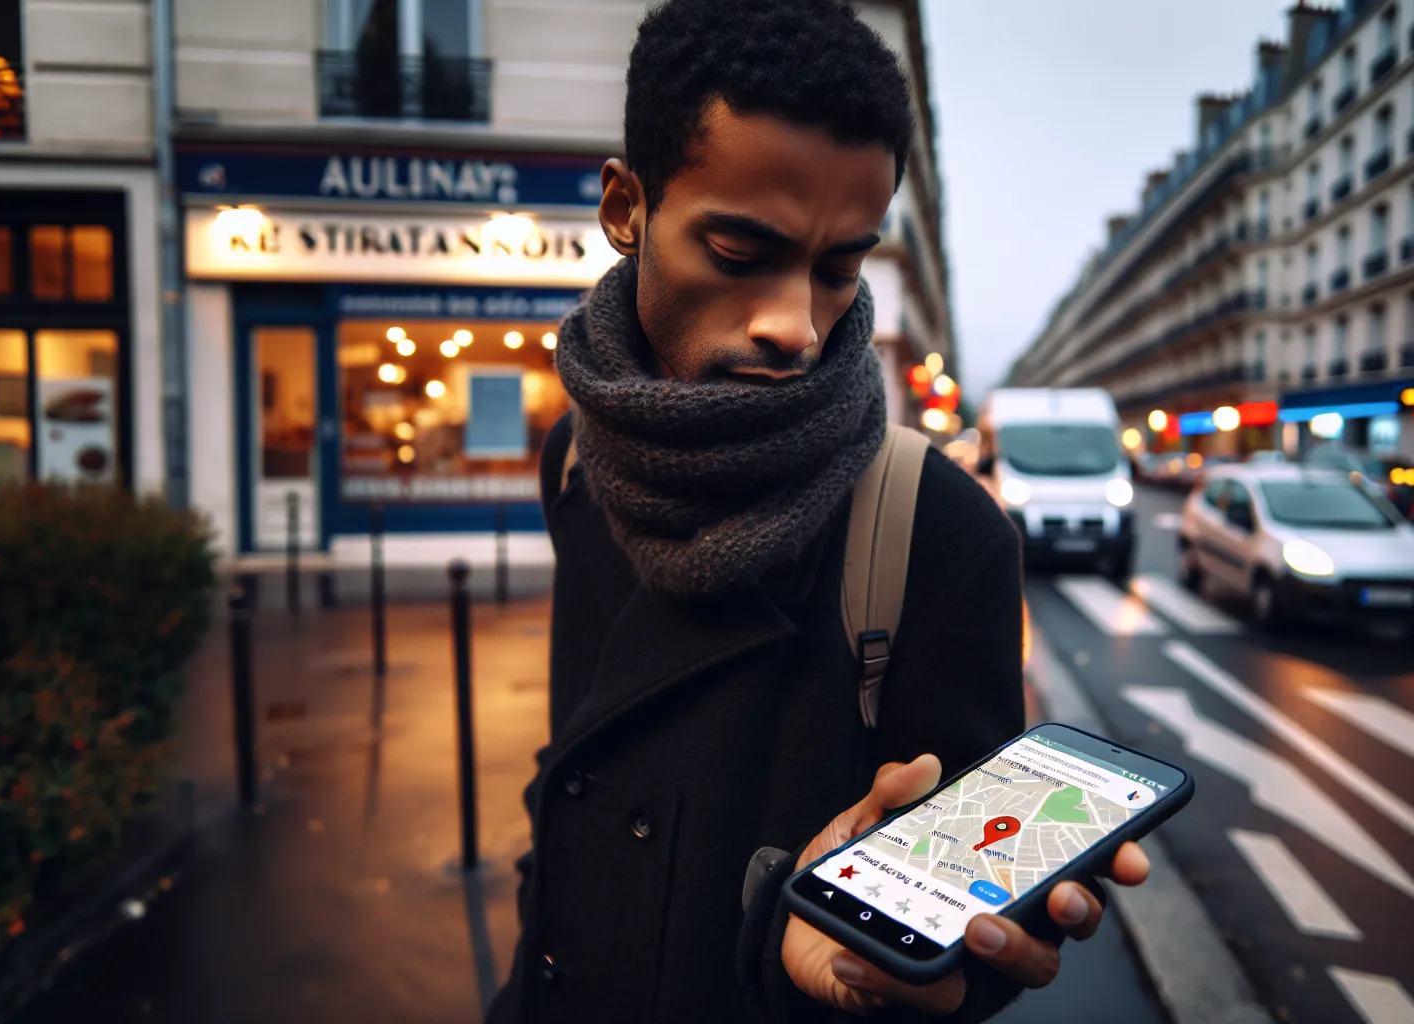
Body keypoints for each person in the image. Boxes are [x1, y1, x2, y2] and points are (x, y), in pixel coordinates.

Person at [488, 1, 1150, 1020]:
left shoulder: (937, 528)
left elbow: (960, 941)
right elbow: (576, 755)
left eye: (839, 267)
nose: (796, 325)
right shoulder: (579, 458)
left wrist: (865, 964)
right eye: (740, 253)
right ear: (626, 209)